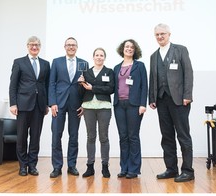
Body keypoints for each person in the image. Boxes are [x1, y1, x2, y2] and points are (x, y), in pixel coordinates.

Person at [148, 23, 194, 182]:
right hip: (161, 100)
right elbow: (152, 79)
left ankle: (188, 170)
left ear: (169, 34)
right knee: (166, 136)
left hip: (180, 100)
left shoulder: (180, 49)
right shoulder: (153, 56)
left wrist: (187, 95)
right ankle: (171, 169)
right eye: (157, 35)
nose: (160, 37)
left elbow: (188, 73)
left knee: (183, 135)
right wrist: (152, 98)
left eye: (162, 34)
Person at [9, 36, 50, 176]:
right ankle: (22, 165)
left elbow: (46, 85)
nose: (34, 47)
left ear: (40, 47)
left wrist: (47, 104)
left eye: (37, 45)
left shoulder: (45, 64)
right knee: (21, 137)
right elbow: (13, 85)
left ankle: (32, 165)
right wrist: (13, 103)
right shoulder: (19, 62)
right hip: (22, 105)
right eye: (32, 44)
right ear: (27, 46)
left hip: (39, 106)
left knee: (35, 137)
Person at [49, 37, 88, 178]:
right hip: (58, 104)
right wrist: (52, 103)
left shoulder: (84, 63)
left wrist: (84, 104)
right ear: (64, 46)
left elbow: (85, 86)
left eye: (73, 45)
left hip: (76, 104)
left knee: (74, 136)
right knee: (56, 136)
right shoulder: (56, 62)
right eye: (69, 45)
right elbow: (51, 83)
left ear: (77, 47)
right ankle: (57, 167)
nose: (71, 47)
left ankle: (72, 166)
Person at [113, 39, 148, 179]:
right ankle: (124, 168)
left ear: (135, 50)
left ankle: (133, 169)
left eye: (132, 47)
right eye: (126, 46)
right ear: (122, 49)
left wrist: (143, 104)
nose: (129, 49)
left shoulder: (140, 66)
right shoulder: (116, 67)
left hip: (134, 105)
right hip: (119, 105)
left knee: (133, 137)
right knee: (123, 137)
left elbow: (144, 86)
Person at [78, 47, 114, 178]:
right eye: (97, 55)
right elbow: (82, 92)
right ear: (93, 57)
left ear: (104, 57)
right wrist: (80, 83)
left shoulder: (109, 72)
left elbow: (110, 89)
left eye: (101, 55)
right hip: (88, 107)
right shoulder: (85, 73)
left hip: (104, 107)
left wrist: (93, 88)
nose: (99, 57)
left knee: (104, 137)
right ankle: (90, 166)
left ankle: (105, 166)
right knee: (90, 137)